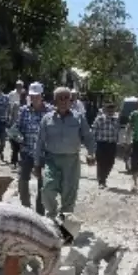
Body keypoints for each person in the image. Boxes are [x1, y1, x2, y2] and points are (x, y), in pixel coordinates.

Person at [36, 86, 96, 217]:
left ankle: (65, 229)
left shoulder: (79, 118)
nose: (63, 101)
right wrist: (37, 163)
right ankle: (51, 216)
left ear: (71, 101)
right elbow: (40, 142)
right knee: (47, 189)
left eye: (66, 98)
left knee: (69, 194)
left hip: (71, 162)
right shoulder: (47, 119)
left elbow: (88, 137)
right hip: (52, 160)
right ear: (55, 101)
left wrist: (91, 153)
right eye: (60, 98)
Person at [16, 83, 49, 214]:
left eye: (37, 96)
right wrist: (19, 138)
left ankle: (40, 213)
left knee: (43, 184)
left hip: (43, 154)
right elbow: (16, 128)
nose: (34, 98)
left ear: (42, 96)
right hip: (27, 151)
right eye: (32, 96)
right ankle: (26, 209)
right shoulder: (23, 110)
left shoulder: (50, 111)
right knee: (22, 181)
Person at [91, 100, 121, 188]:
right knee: (101, 163)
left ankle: (104, 178)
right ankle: (101, 181)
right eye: (109, 110)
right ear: (106, 110)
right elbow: (94, 131)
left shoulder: (116, 119)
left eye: (113, 110)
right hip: (101, 144)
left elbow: (117, 131)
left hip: (112, 144)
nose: (111, 112)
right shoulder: (100, 119)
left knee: (110, 163)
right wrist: (92, 144)